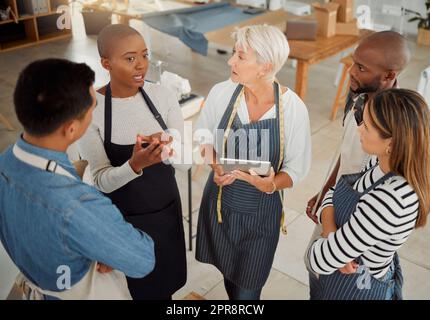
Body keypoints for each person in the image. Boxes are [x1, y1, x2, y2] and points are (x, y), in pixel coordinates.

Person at [0, 59, 155, 300]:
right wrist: (107, 245)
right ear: (71, 129)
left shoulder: (5, 163)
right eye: (93, 108)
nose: (95, 111)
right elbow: (142, 259)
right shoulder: (76, 205)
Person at [194, 25, 311, 300]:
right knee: (230, 280)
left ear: (264, 66)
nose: (230, 61)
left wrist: (271, 184)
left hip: (260, 217)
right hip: (221, 207)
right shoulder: (222, 93)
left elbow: (296, 169)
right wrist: (216, 166)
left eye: (240, 56)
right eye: (234, 53)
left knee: (247, 291)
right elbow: (203, 137)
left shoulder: (293, 109)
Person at [78, 24, 187, 300]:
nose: (141, 65)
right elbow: (102, 180)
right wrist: (135, 165)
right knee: (138, 291)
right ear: (106, 63)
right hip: (124, 222)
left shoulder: (163, 96)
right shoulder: (92, 110)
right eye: (129, 58)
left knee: (166, 287)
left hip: (166, 214)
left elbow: (185, 163)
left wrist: (173, 148)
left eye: (145, 55)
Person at [304, 31, 411, 299]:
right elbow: (346, 153)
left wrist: (334, 240)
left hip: (354, 240)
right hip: (337, 210)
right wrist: (325, 193)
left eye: (361, 68)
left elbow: (325, 257)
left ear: (389, 75)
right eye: (353, 62)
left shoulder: (393, 134)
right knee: (320, 285)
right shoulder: (360, 99)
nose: (351, 72)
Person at [307, 88, 430, 299]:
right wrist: (331, 232)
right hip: (338, 279)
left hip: (357, 289)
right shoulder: (379, 162)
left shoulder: (390, 200)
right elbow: (334, 191)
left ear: (391, 142)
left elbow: (317, 259)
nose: (359, 130)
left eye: (367, 127)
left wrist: (329, 237)